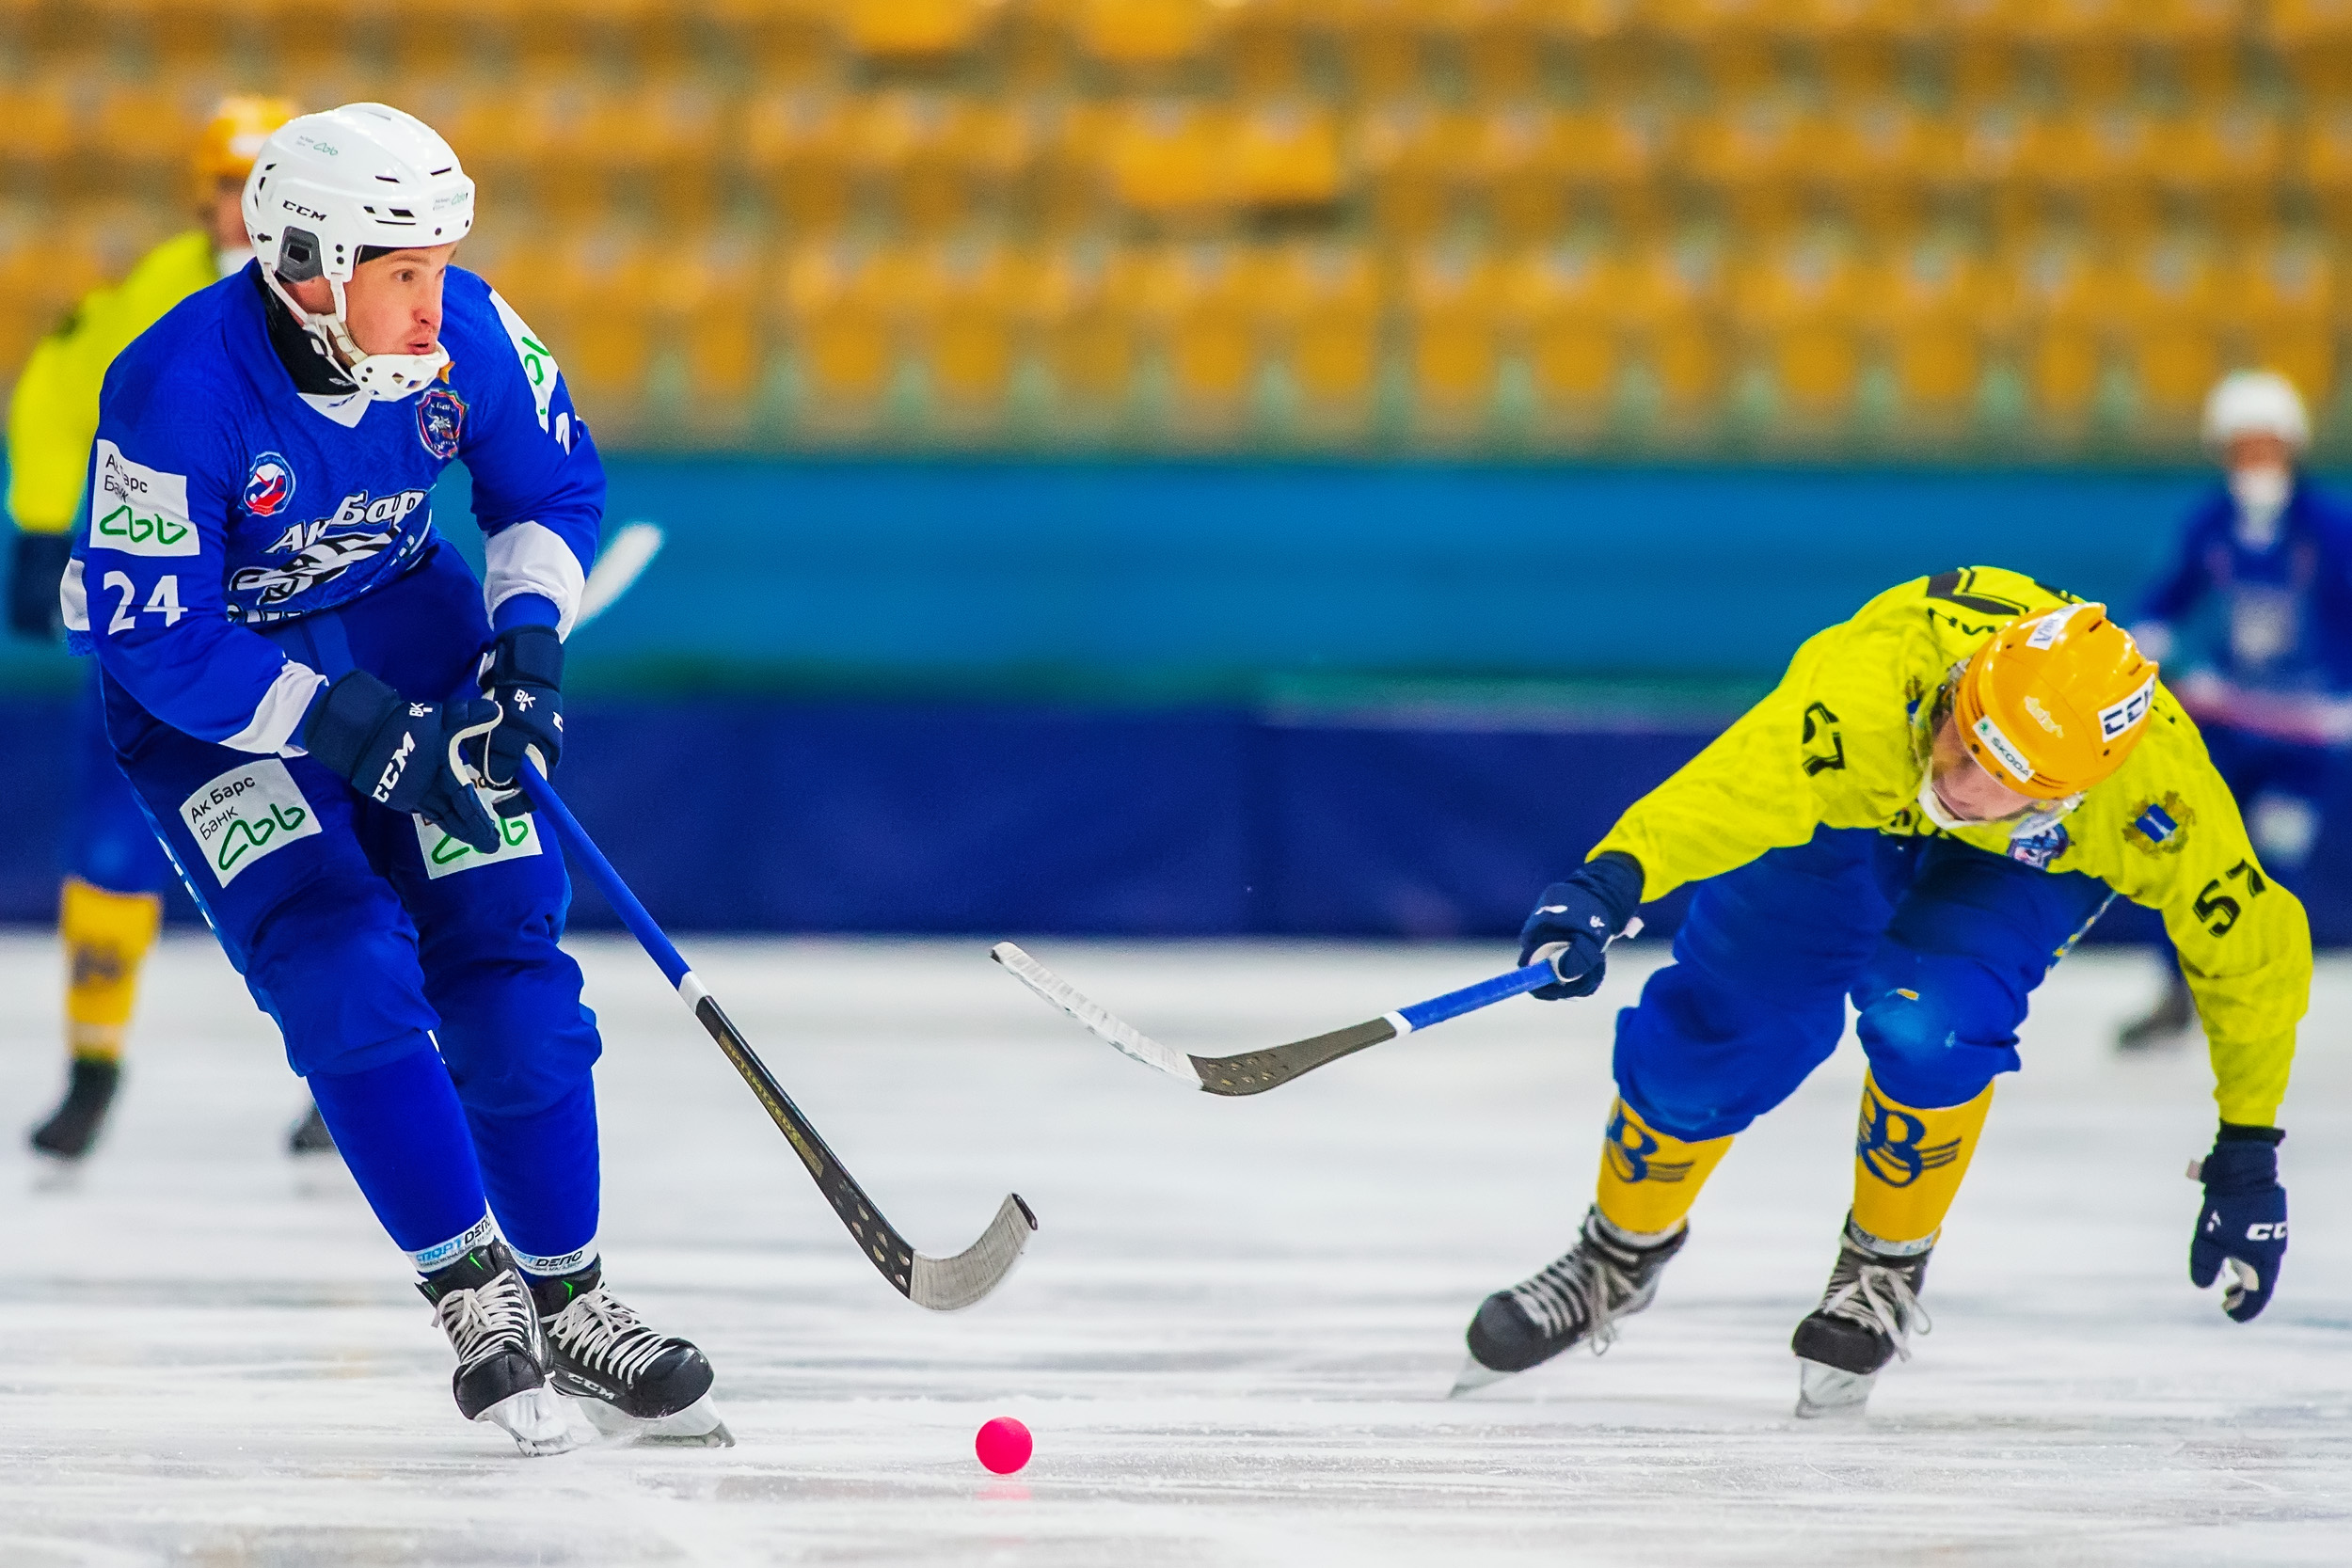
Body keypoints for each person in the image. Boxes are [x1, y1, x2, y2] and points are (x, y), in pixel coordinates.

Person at [62, 102, 723, 1452]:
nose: (436, 303)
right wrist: (342, 722)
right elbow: (153, 635)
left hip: (409, 639)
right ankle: (471, 1291)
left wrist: (528, 641)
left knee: (509, 970)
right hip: (211, 706)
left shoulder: (468, 328)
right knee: (343, 960)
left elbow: (550, 493)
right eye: (402, 272)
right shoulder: (172, 388)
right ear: (308, 267)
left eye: (437, 265)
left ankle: (574, 1298)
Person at [1457, 567, 2306, 1417]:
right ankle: (1616, 1250)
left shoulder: (2155, 795)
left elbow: (2255, 953)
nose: (1963, 786)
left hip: (2029, 861)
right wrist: (1609, 880)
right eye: (1967, 739)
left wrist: (2248, 1149)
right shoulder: (1866, 693)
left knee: (1934, 1017)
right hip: (1862, 792)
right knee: (1720, 1028)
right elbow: (1731, 789)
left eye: (2005, 778)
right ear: (1958, 691)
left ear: (2076, 790)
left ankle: (1884, 1262)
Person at [7, 96, 324, 1161]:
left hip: (289, 611)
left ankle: (356, 1051)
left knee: (330, 833)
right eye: (231, 186)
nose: (244, 209)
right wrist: (46, 526)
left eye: (261, 185)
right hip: (167, 611)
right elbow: (60, 390)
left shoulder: (339, 298)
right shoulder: (154, 291)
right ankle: (93, 1063)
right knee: (111, 830)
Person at [2117, 371, 2352, 1048]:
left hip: (2308, 732)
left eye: (2266, 449)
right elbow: (2168, 595)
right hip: (2228, 719)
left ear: (2292, 448)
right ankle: (2173, 987)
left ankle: (2243, 995)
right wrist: (2139, 647)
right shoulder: (2211, 522)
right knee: (2186, 849)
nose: (2255, 464)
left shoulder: (2331, 531)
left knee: (2270, 864)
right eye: (2242, 450)